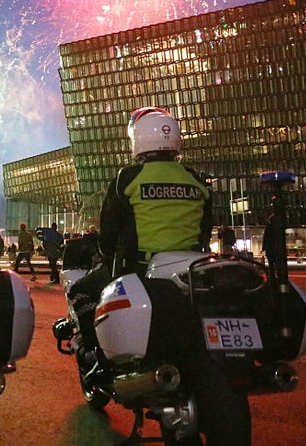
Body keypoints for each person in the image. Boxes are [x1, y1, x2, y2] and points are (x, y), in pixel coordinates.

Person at [69, 106, 212, 353]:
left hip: (140, 268)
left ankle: (96, 349)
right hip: (191, 270)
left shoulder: (128, 178)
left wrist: (104, 252)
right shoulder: (195, 179)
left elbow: (109, 230)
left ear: (138, 139)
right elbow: (206, 230)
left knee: (80, 290)